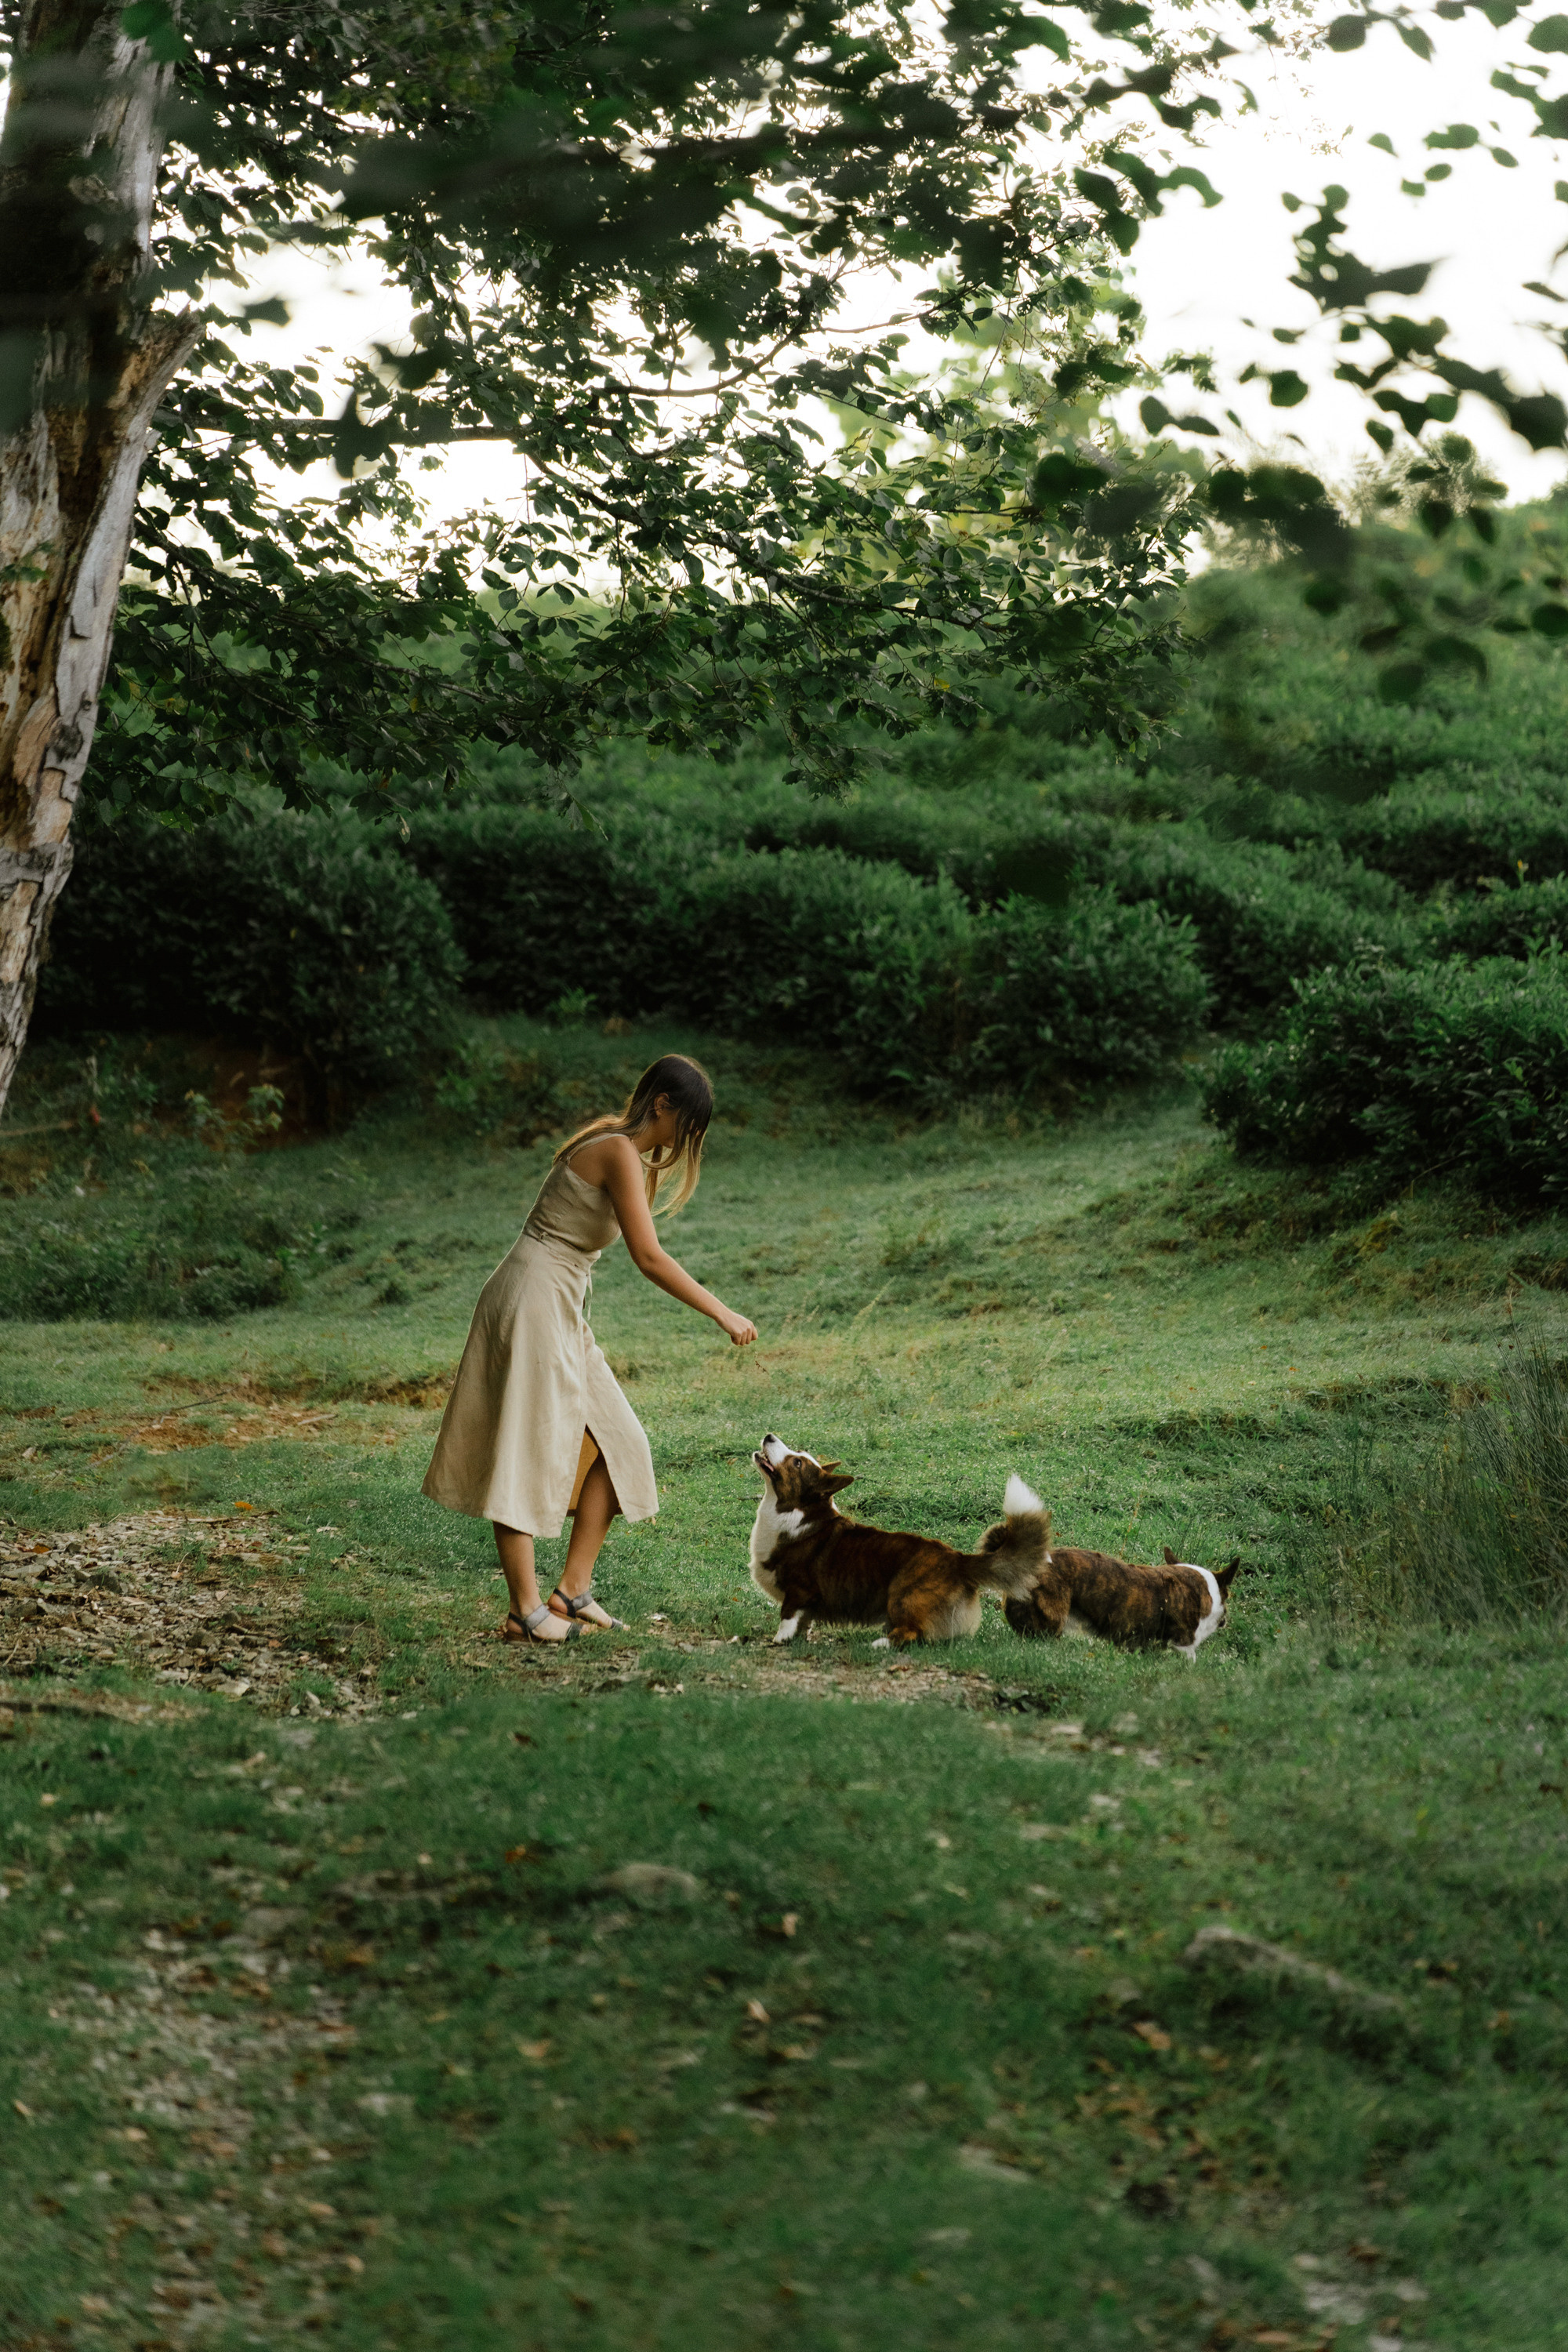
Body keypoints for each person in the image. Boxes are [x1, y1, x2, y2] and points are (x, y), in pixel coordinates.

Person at [422, 1052, 757, 1644]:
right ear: (662, 1104)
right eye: (688, 1124)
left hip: (562, 1302)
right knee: (524, 1451)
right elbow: (648, 1256)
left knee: (622, 1442)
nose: (688, 1140)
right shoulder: (616, 1148)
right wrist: (721, 1311)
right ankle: (525, 1612)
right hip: (533, 1297)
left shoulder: (629, 1155)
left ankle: (571, 1592)